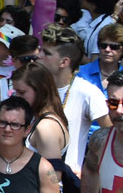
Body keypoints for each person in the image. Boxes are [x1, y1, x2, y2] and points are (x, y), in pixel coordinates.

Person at [37, 24, 109, 173]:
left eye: (47, 53)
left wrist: (90, 170)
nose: (39, 55)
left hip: (65, 180)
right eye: (41, 50)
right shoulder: (32, 87)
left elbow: (111, 134)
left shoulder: (87, 92)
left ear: (64, 62)